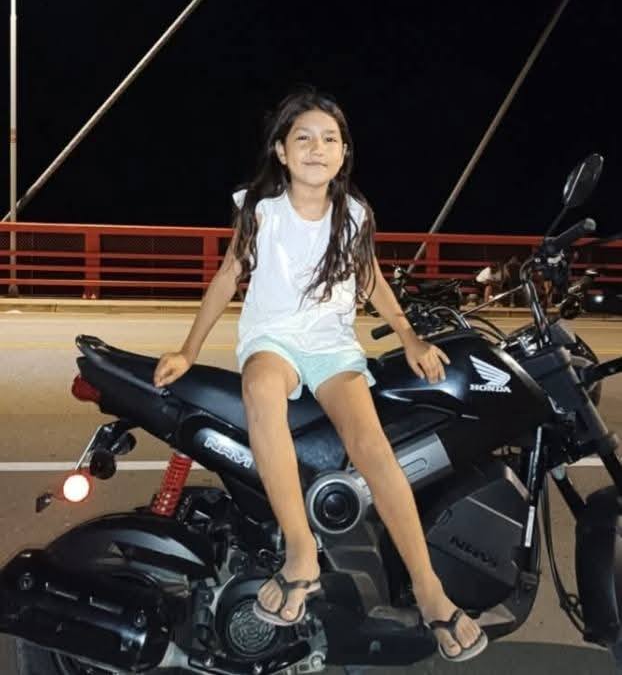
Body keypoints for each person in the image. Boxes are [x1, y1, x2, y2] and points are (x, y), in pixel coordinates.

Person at [153, 87, 487, 663]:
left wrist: (409, 336)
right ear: (281, 151)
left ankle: (430, 589)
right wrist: (188, 350)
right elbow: (227, 276)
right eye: (303, 138)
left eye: (330, 138)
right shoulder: (261, 210)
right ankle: (300, 551)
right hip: (274, 339)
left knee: (372, 446)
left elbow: (372, 279)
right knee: (261, 388)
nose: (317, 147)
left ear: (344, 152)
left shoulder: (353, 214)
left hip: (331, 346)